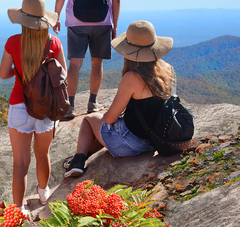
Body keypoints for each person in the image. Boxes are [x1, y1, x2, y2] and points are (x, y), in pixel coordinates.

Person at [64, 20, 174, 177]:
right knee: (102, 129)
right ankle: (80, 157)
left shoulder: (132, 77)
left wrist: (106, 116)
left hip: (131, 144)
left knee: (90, 119)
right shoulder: (167, 69)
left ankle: (78, 162)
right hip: (156, 140)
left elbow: (109, 120)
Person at [0, 0, 67, 217]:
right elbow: (63, 75)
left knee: (20, 162)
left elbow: (2, 74)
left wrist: (19, 72)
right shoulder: (54, 42)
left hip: (19, 105)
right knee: (42, 154)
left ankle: (19, 209)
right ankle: (43, 193)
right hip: (46, 106)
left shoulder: (13, 42)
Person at [53, 0, 123, 119]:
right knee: (97, 62)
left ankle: (70, 106)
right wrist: (114, 25)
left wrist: (56, 16)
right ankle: (92, 103)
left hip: (76, 22)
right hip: (102, 23)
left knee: (74, 64)